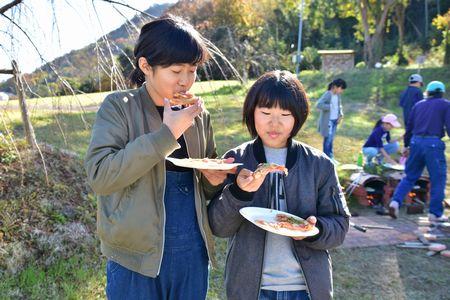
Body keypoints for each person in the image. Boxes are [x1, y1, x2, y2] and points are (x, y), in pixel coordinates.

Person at [85, 15, 234, 299]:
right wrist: (168, 134)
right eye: (176, 70)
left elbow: (205, 186)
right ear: (146, 66)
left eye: (192, 70)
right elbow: (100, 176)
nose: (185, 81)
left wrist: (214, 180)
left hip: (191, 254)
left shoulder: (198, 116)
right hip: (134, 258)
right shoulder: (120, 107)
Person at [208, 70, 350, 300]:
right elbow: (219, 227)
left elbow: (340, 227)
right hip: (251, 289)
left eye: (285, 114)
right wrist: (239, 192)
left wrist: (314, 230)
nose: (275, 123)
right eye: (265, 112)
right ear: (252, 112)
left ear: (298, 117)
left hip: (307, 289)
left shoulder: (318, 164)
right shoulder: (236, 160)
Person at [389, 81, 450, 221]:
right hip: (433, 145)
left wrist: (406, 145)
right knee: (438, 178)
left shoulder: (418, 105)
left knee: (410, 176)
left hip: (415, 142)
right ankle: (435, 213)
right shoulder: (445, 104)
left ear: (428, 92)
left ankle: (395, 202)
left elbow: (409, 127)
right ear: (441, 92)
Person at [316, 78, 347, 163]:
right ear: (335, 87)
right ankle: (326, 159)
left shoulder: (337, 96)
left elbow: (339, 106)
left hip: (334, 121)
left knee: (331, 139)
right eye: (341, 89)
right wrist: (329, 106)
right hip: (328, 122)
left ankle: (331, 157)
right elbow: (319, 104)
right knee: (328, 140)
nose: (342, 91)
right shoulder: (328, 94)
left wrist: (340, 115)